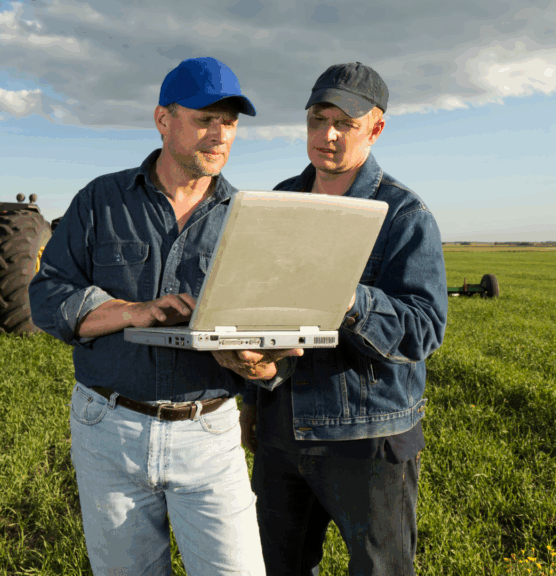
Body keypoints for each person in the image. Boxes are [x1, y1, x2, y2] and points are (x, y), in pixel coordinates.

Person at [28, 57, 298, 576]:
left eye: (231, 122)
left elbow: (269, 333)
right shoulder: (101, 201)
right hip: (109, 427)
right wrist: (133, 312)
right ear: (163, 119)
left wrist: (262, 365)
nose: (219, 134)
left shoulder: (248, 220)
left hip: (210, 433)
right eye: (205, 119)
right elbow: (47, 296)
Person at [240, 62, 449, 576]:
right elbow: (251, 310)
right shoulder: (280, 202)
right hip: (281, 432)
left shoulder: (403, 215)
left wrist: (345, 295)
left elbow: (423, 329)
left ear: (376, 129)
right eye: (317, 119)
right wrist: (251, 401)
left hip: (367, 439)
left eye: (344, 124)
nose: (326, 136)